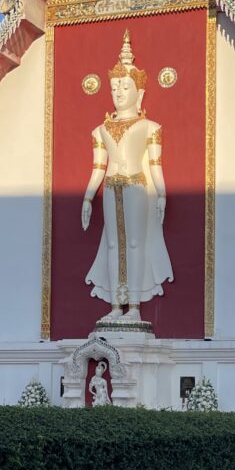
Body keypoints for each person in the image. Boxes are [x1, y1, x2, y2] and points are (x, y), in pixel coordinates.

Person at [81, 31, 173, 323]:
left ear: (140, 92)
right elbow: (97, 168)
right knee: (111, 243)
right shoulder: (101, 130)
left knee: (134, 243)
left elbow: (155, 164)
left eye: (125, 87)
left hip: (136, 184)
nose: (119, 93)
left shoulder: (150, 127)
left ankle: (133, 306)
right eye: (115, 88)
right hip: (110, 187)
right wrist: (87, 198)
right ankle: (115, 306)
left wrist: (162, 194)